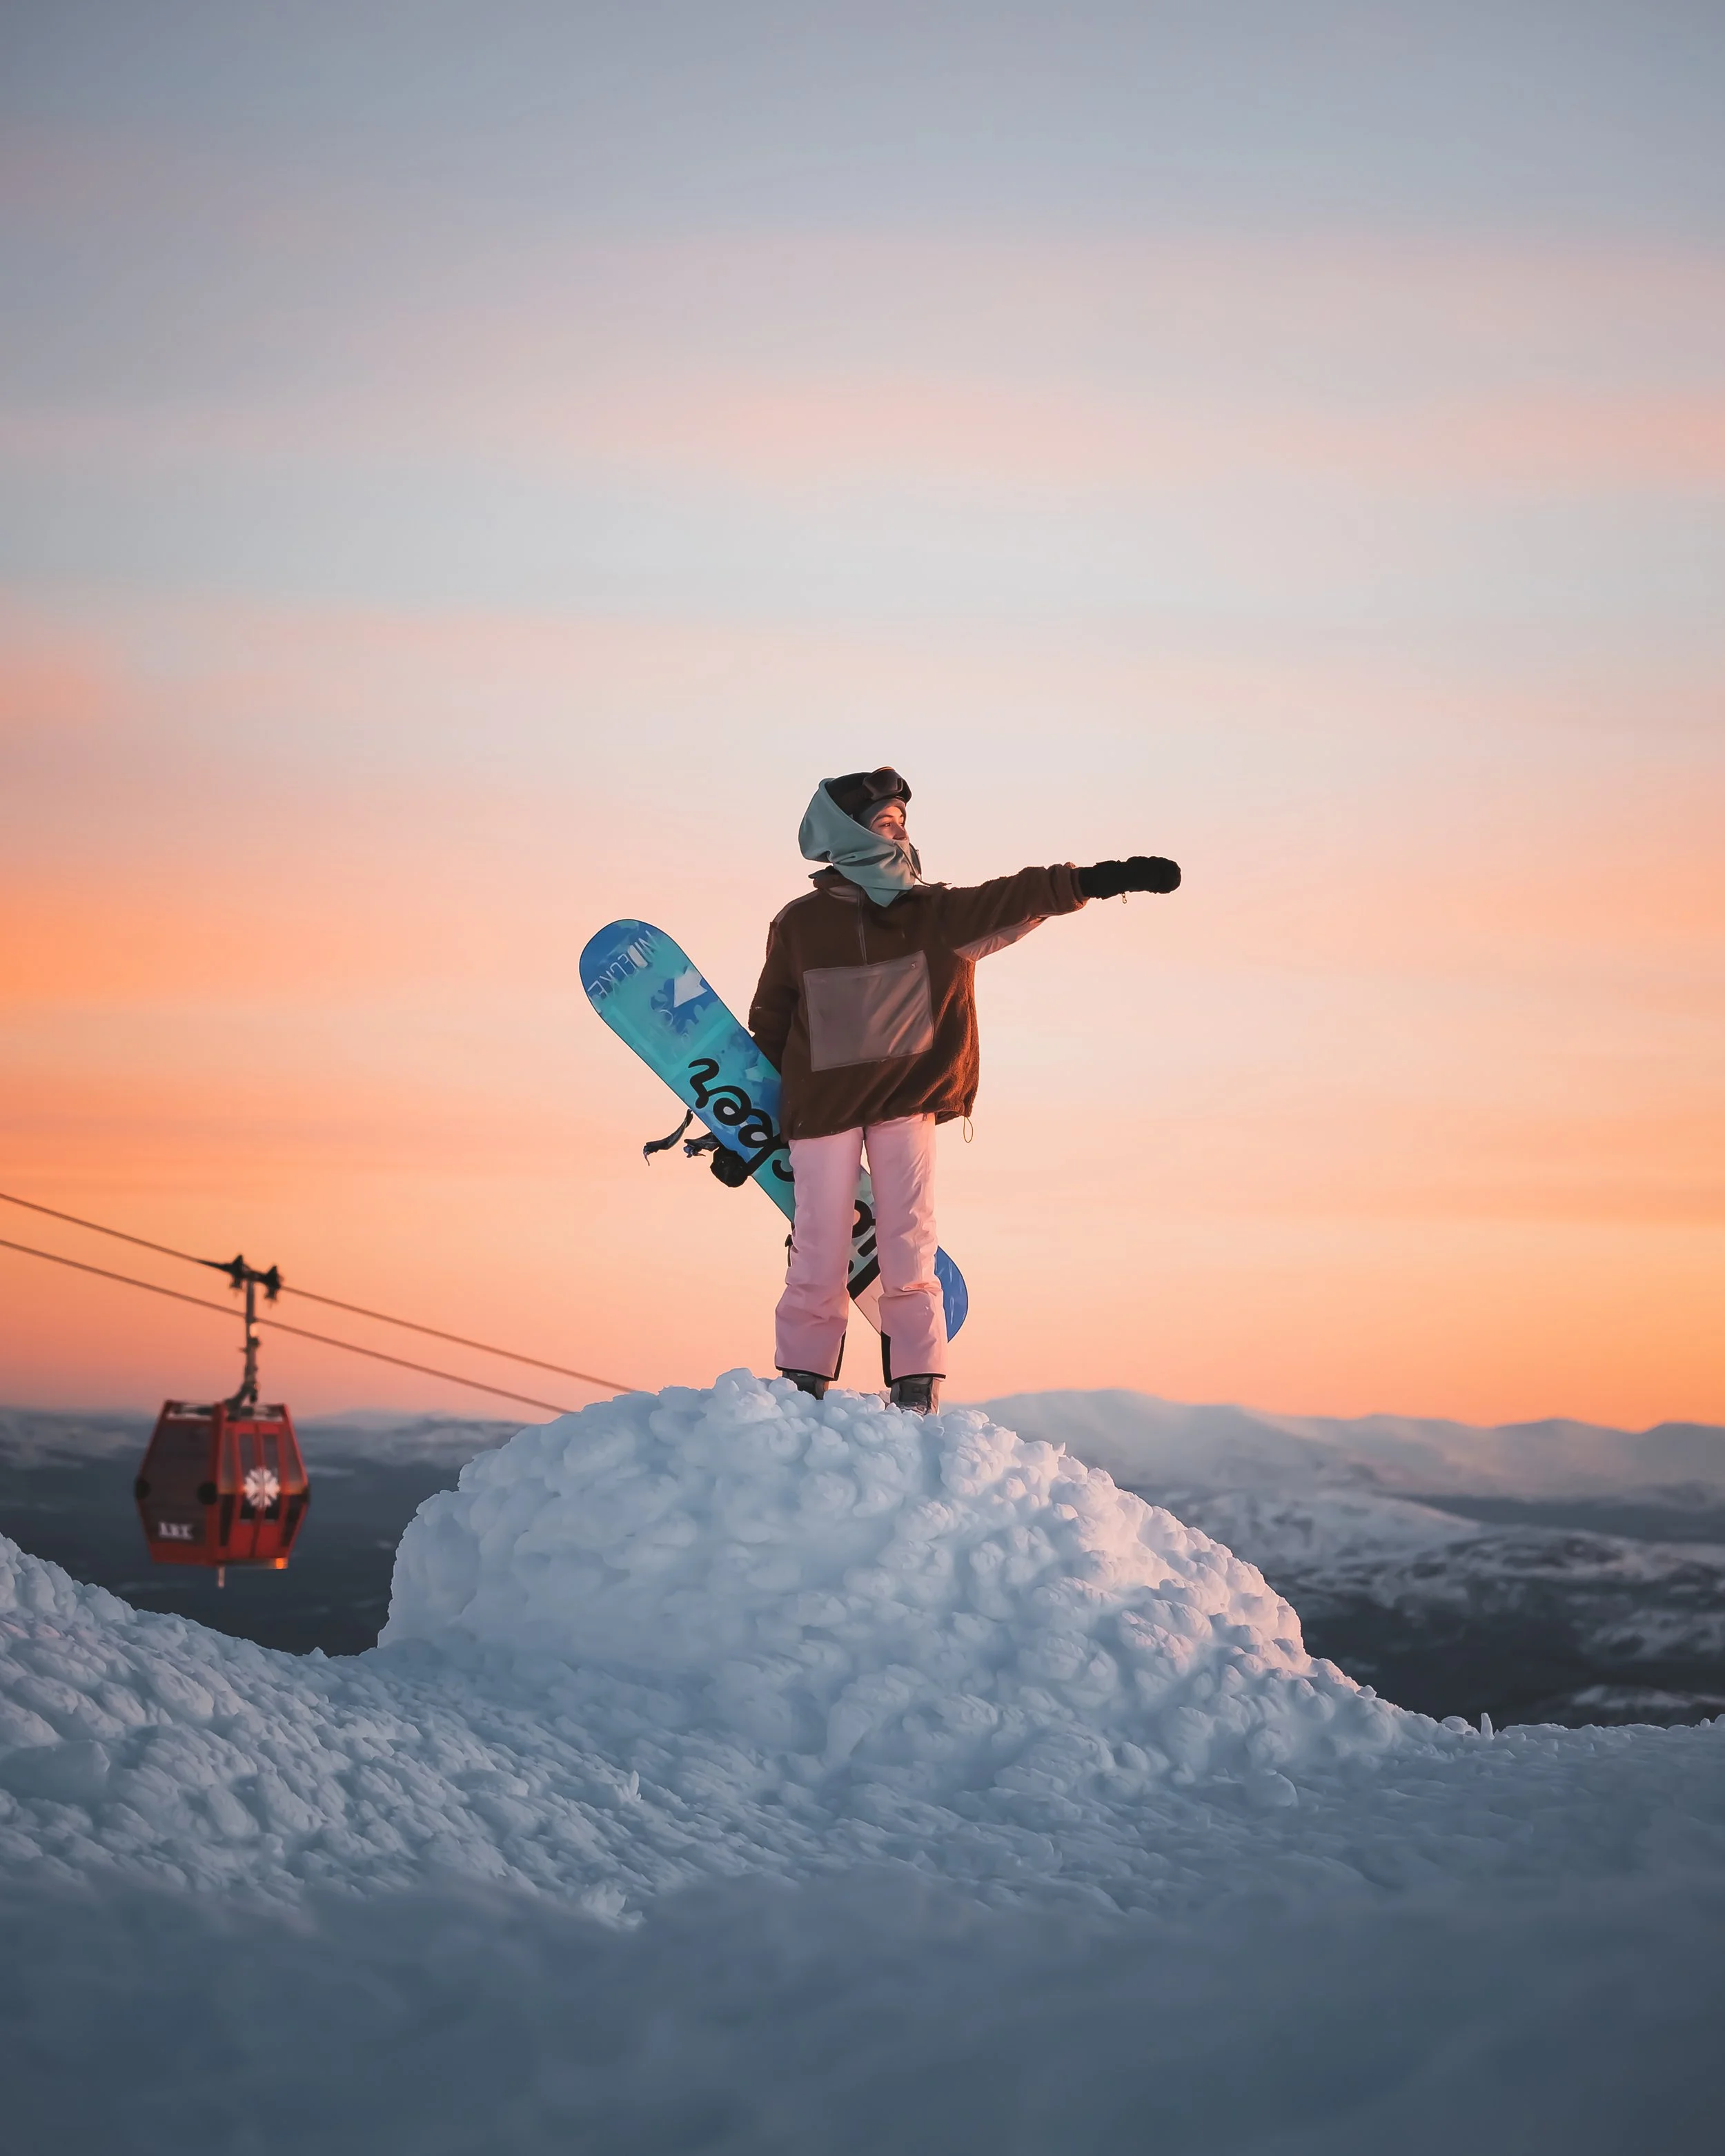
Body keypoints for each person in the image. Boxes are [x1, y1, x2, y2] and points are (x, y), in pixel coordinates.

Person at [745, 767, 1180, 1414]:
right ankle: (803, 1377)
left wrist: (1104, 877)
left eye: (901, 822)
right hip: (822, 1109)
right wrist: (761, 1107)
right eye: (884, 822)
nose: (899, 832)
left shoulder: (934, 914)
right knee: (818, 1241)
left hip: (905, 1099)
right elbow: (772, 1018)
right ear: (844, 833)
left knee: (907, 1237)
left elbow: (1017, 895)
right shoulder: (801, 923)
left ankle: (917, 1382)